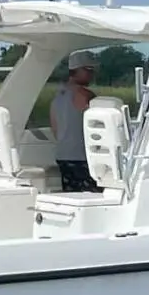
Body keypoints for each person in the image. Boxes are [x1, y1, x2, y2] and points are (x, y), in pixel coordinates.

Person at [50, 49, 99, 191]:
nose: (92, 74)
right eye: (89, 70)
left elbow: (55, 129)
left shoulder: (58, 96)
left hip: (63, 156)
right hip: (82, 157)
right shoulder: (86, 96)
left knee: (71, 193)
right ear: (77, 70)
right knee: (91, 195)